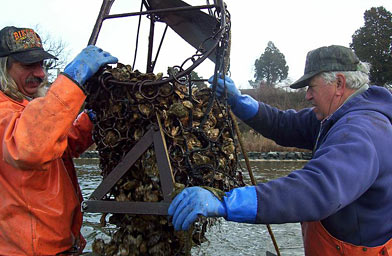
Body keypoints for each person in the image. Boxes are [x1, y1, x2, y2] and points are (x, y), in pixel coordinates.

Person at [168, 45, 392, 255]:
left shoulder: (362, 130)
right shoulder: (336, 117)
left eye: (311, 87)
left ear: (339, 84)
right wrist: (242, 103)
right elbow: (286, 124)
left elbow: (318, 188)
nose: (307, 96)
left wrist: (228, 202)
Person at [0, 26, 117, 255]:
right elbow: (29, 147)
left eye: (41, 64)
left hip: (59, 244)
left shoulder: (25, 107)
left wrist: (91, 119)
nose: (41, 73)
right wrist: (71, 81)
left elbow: (63, 145)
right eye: (28, 65)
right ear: (3, 67)